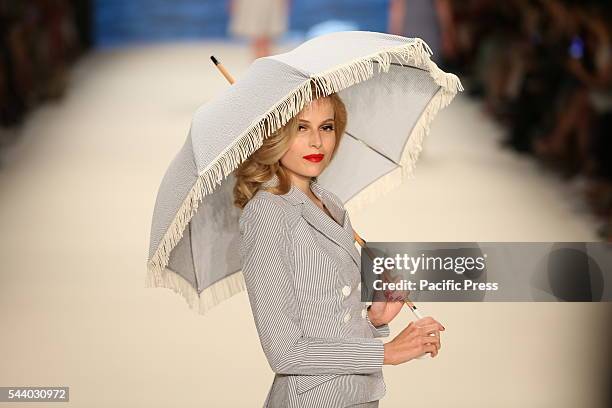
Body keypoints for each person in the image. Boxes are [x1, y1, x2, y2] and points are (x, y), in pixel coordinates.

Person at [233, 86, 445, 407]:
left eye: (326, 127)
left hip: (356, 396)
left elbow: (327, 314)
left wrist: (373, 320)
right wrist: (386, 352)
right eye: (300, 127)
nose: (317, 141)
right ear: (275, 135)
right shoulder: (267, 214)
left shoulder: (330, 202)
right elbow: (285, 352)